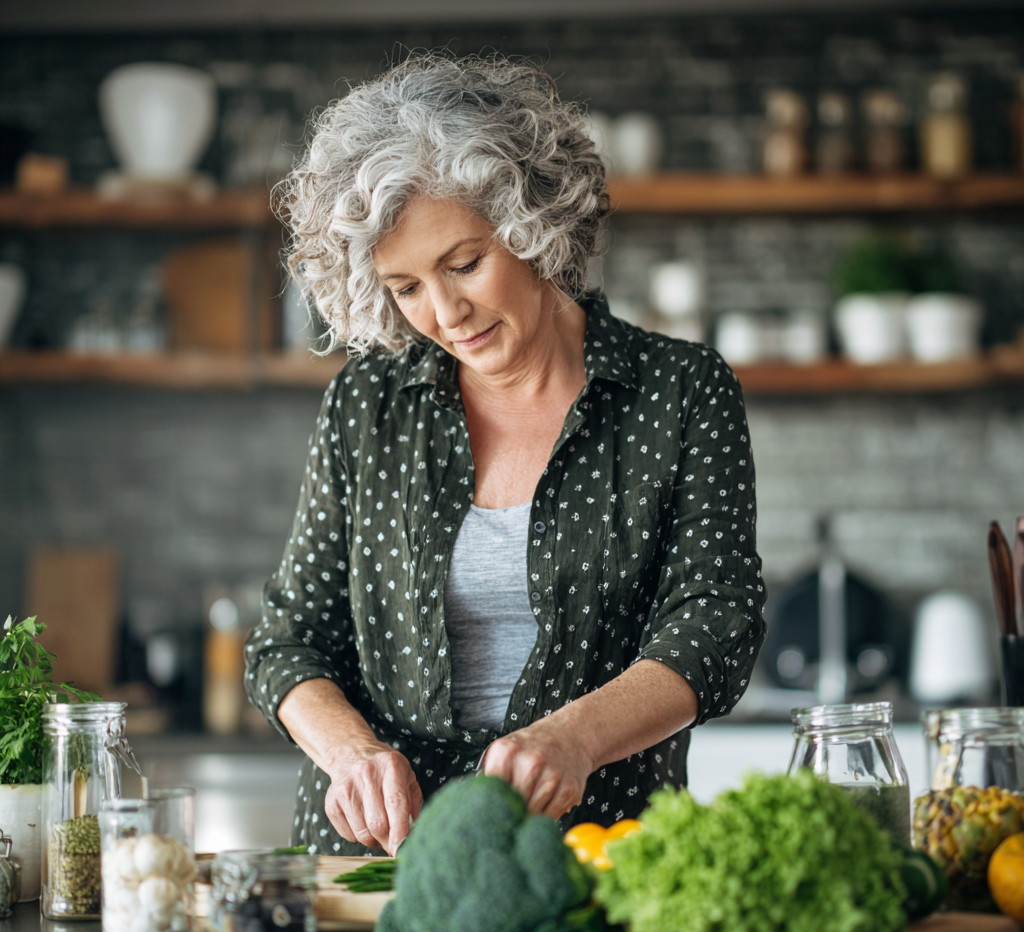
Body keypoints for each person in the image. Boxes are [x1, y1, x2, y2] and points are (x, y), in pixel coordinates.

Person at [245, 55, 766, 857]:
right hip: (377, 865)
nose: (445, 312)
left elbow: (715, 625)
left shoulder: (680, 390)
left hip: (594, 852)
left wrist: (576, 738)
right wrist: (349, 752)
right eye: (406, 286)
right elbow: (288, 640)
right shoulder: (368, 403)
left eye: (464, 264)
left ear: (534, 224)